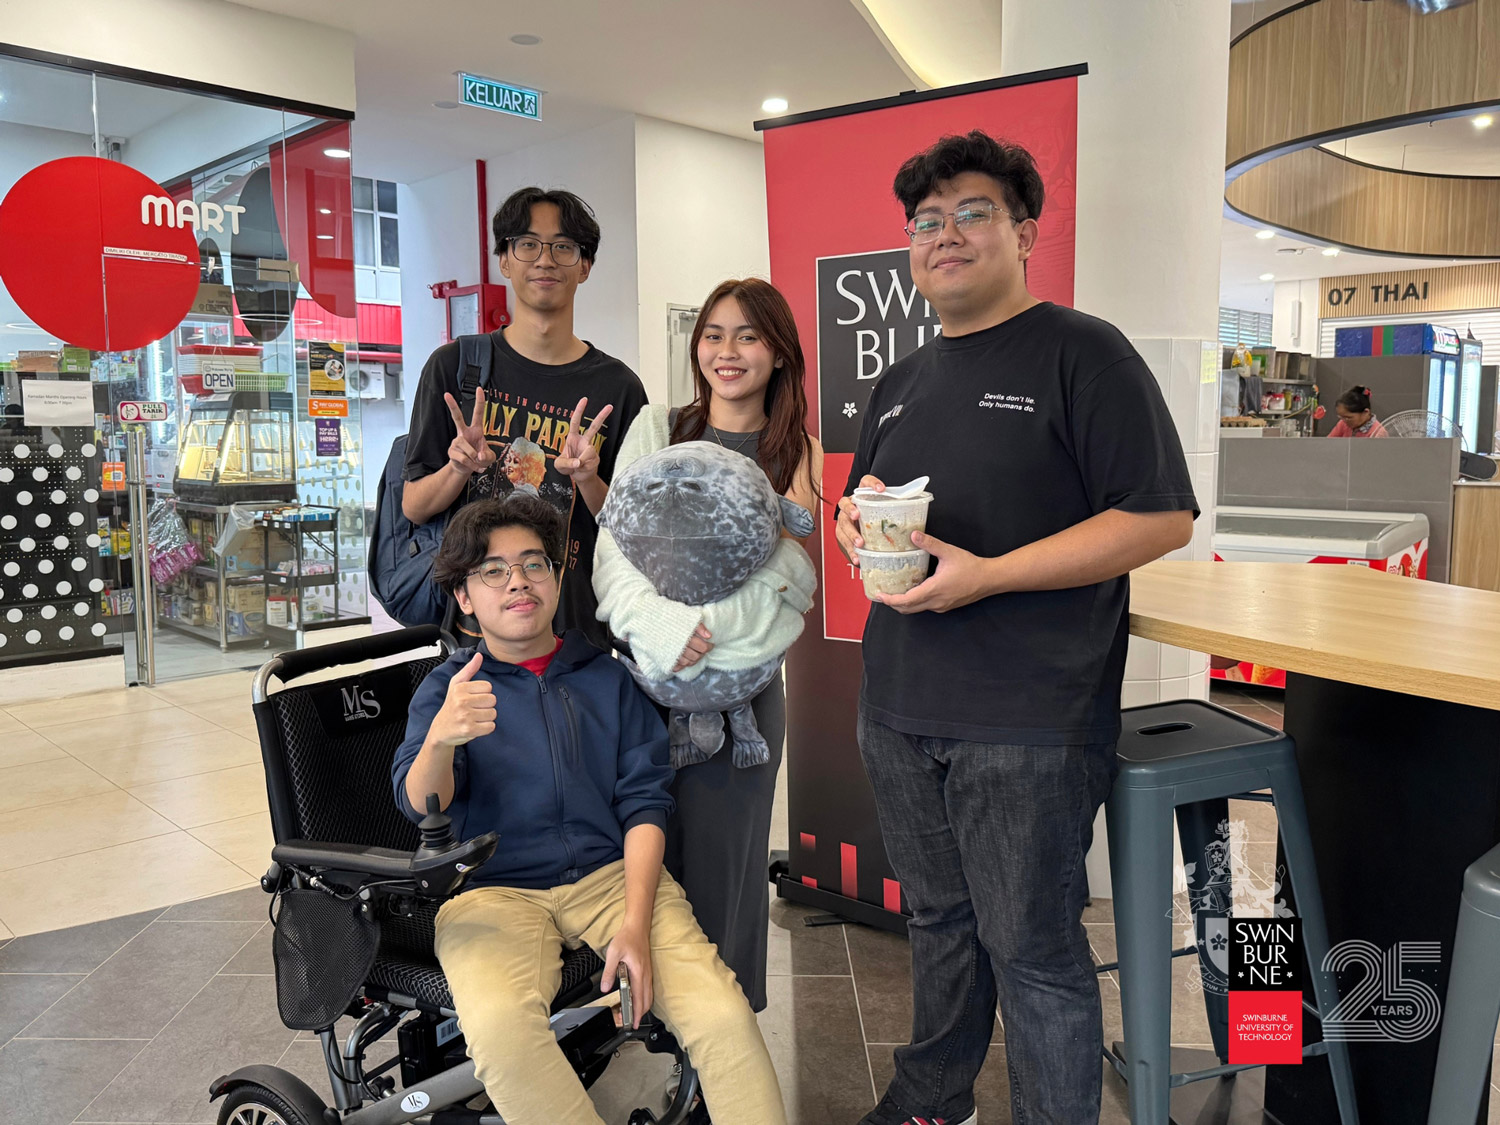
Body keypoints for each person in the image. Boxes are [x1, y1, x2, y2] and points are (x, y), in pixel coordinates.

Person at [833, 130, 1198, 1125]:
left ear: (1025, 231)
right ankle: (933, 1099)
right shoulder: (899, 381)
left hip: (1029, 717)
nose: (944, 235)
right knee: (943, 925)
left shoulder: (1084, 352)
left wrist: (988, 578)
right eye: (926, 222)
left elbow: (1160, 514)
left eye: (972, 213)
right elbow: (867, 500)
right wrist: (853, 524)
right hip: (901, 702)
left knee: (1033, 948)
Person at [391, 495, 787, 1125]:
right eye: (492, 571)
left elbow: (645, 805)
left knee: (722, 1014)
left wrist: (635, 921)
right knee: (504, 1036)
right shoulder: (449, 690)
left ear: (555, 577)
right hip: (491, 893)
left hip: (614, 880)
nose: (517, 580)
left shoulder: (606, 678)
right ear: (465, 598)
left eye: (532, 564)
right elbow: (420, 807)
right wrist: (440, 738)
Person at [618, 278, 823, 1014]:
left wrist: (708, 639)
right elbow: (622, 542)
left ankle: (721, 1036)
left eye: (747, 336)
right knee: (646, 862)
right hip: (645, 686)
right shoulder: (659, 427)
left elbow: (792, 579)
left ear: (778, 353)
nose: (726, 352)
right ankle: (653, 1021)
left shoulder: (797, 450)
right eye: (713, 333)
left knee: (724, 871)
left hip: (741, 695)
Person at [402, 186, 647, 648]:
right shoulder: (453, 368)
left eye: (564, 247)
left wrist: (591, 479)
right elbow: (413, 506)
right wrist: (457, 470)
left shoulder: (619, 388)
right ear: (505, 260)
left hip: (579, 633)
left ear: (585, 266)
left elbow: (634, 532)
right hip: (477, 636)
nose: (545, 260)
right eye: (528, 244)